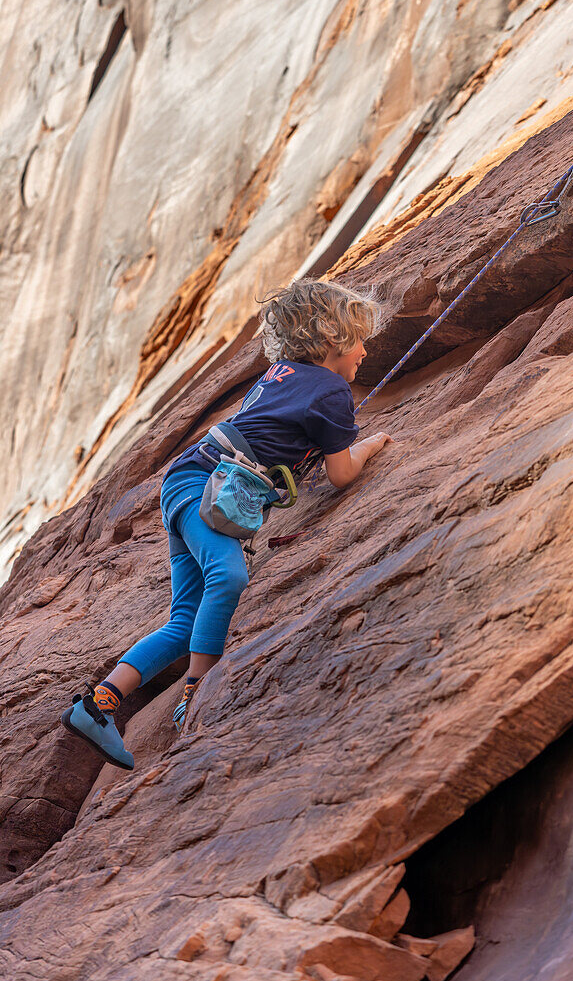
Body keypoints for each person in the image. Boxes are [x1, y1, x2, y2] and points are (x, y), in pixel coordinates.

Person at [61, 279, 394, 770]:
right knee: (230, 576)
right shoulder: (330, 390)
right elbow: (342, 474)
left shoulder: (284, 372)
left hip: (191, 485)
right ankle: (194, 691)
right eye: (360, 339)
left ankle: (96, 707)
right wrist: (372, 443)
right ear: (333, 339)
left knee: (184, 621)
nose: (366, 351)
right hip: (206, 491)